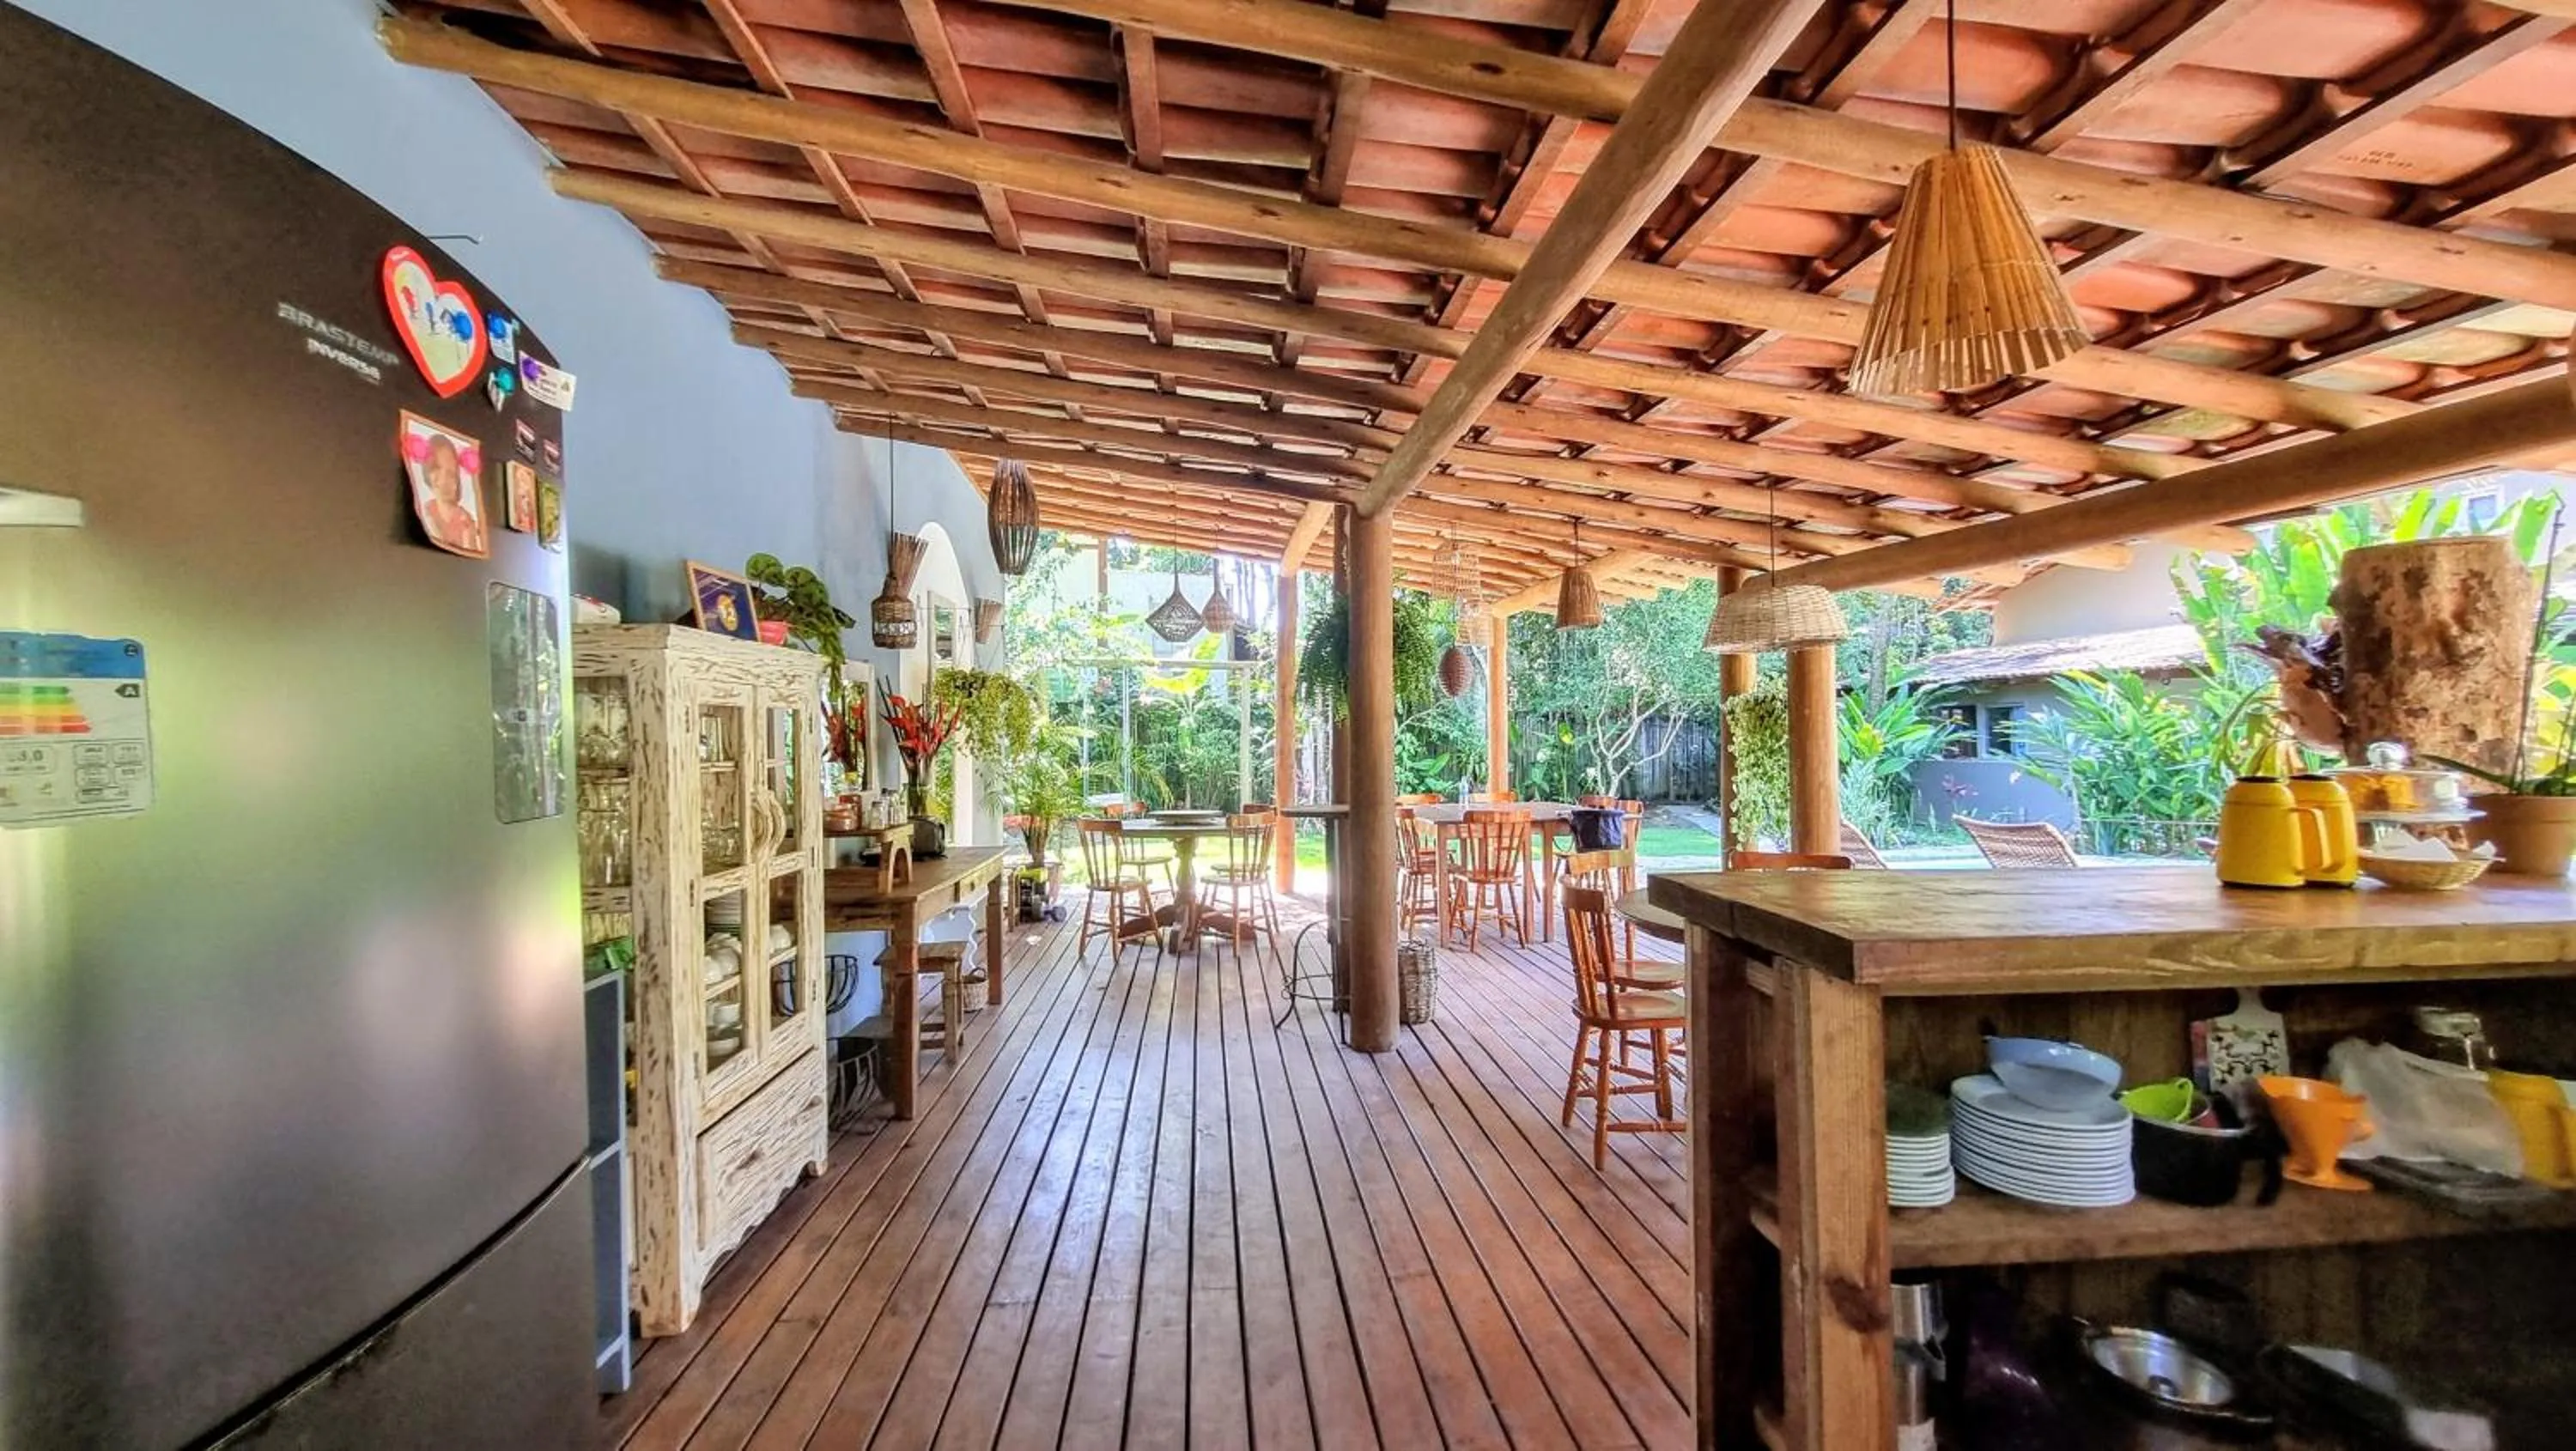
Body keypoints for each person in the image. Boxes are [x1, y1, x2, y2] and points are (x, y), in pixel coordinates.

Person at [416, 433, 484, 555]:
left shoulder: (465, 521)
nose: (443, 481)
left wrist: (469, 540)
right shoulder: (427, 510)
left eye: (450, 474)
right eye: (436, 469)